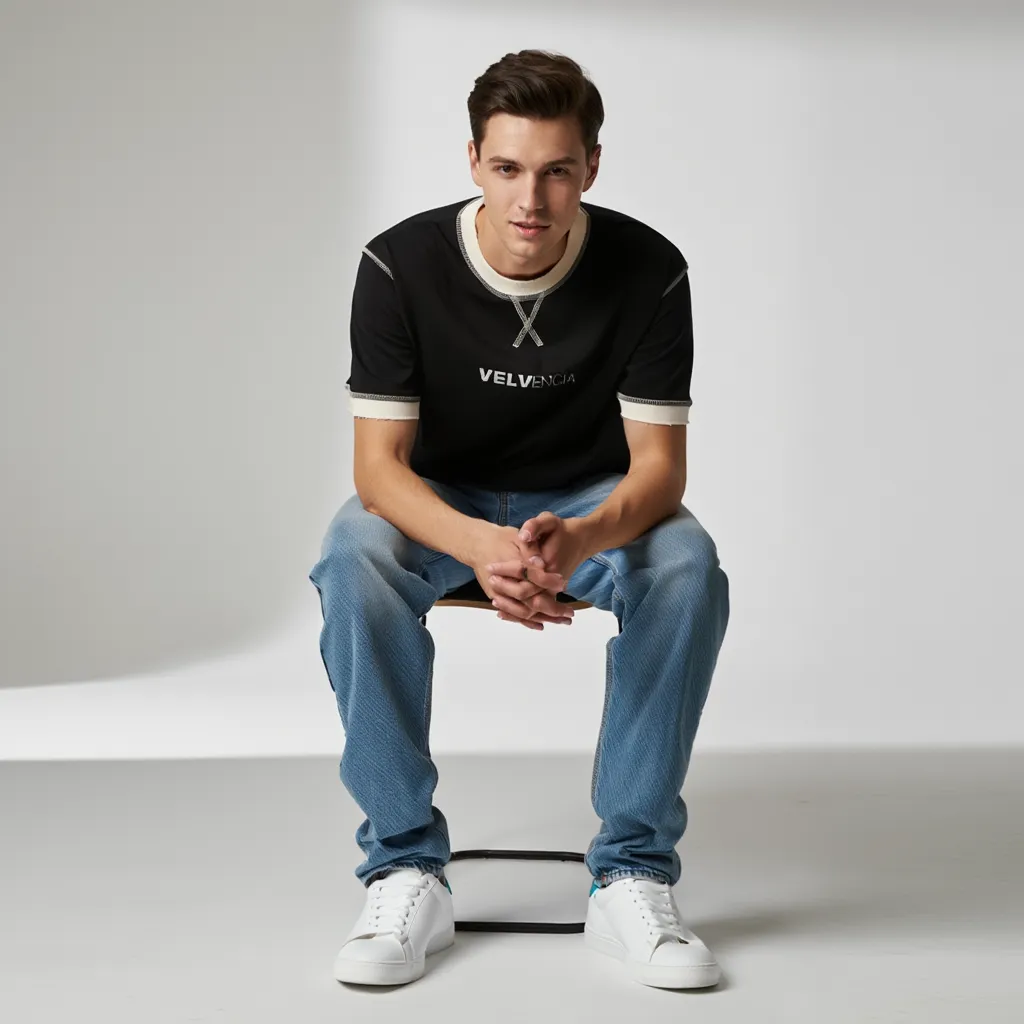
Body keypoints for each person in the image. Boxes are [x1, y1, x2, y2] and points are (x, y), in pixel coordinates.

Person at [308, 49, 730, 991]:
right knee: (352, 554)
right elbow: (378, 469)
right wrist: (479, 546)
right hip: (439, 499)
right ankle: (404, 866)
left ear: (591, 167)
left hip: (587, 501)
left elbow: (658, 472)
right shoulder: (398, 263)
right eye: (507, 168)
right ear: (472, 161)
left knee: (688, 565)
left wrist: (578, 537)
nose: (530, 199)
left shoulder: (650, 269)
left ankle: (631, 872)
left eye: (556, 171)